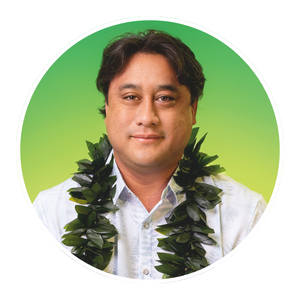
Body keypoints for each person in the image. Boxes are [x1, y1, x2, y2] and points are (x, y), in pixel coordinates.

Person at [33, 30, 267, 280]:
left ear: (193, 109)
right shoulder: (50, 213)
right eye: (131, 97)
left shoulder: (247, 214)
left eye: (165, 98)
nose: (147, 117)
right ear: (108, 108)